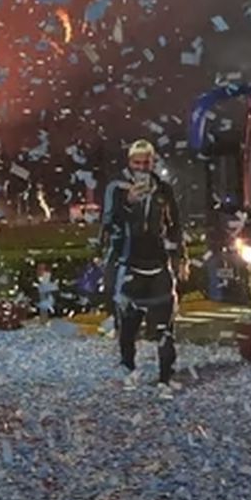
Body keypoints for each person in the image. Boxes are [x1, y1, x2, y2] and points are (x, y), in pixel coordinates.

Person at [100, 139, 184, 393]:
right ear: (129, 163)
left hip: (158, 263)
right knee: (127, 326)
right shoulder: (116, 187)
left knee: (164, 325)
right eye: (137, 163)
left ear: (153, 162)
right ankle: (128, 368)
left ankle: (165, 377)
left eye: (146, 163)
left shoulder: (163, 189)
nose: (142, 168)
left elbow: (175, 225)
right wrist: (128, 202)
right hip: (127, 261)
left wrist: (181, 256)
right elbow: (107, 221)